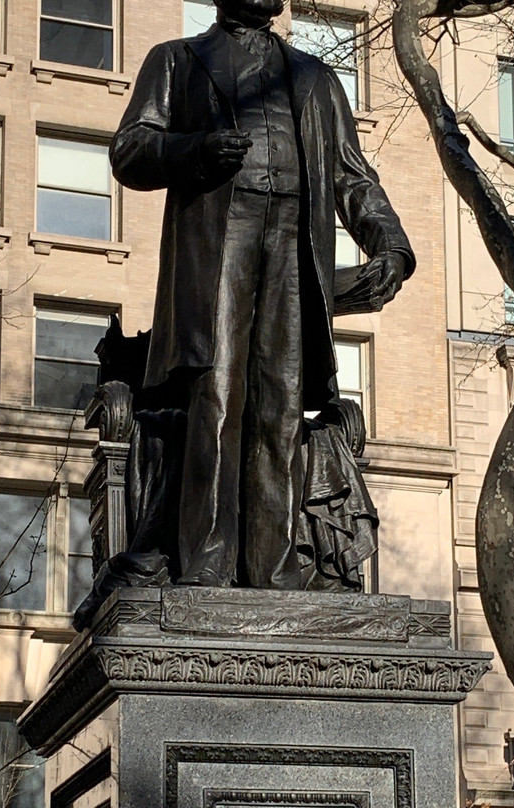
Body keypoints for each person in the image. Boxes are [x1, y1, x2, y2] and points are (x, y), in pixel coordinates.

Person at [110, 0, 414, 589]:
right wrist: (194, 149)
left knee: (280, 407)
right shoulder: (178, 60)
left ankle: (276, 574)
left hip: (295, 245)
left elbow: (352, 175)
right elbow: (130, 148)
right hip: (221, 237)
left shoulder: (316, 79)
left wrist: (391, 244)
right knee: (217, 399)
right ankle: (206, 567)